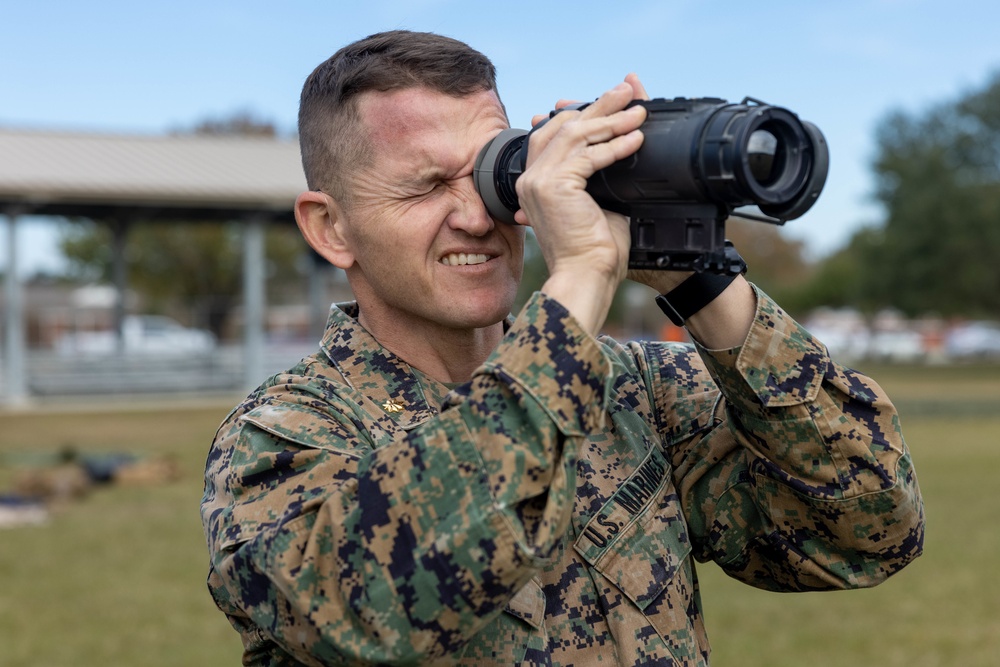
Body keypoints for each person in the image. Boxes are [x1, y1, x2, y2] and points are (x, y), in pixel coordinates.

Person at [201, 30, 924, 666]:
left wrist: (697, 280)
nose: (476, 218)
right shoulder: (284, 438)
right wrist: (578, 275)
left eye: (491, 173)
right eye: (424, 187)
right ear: (331, 229)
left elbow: (869, 527)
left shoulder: (633, 388)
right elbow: (372, 614)